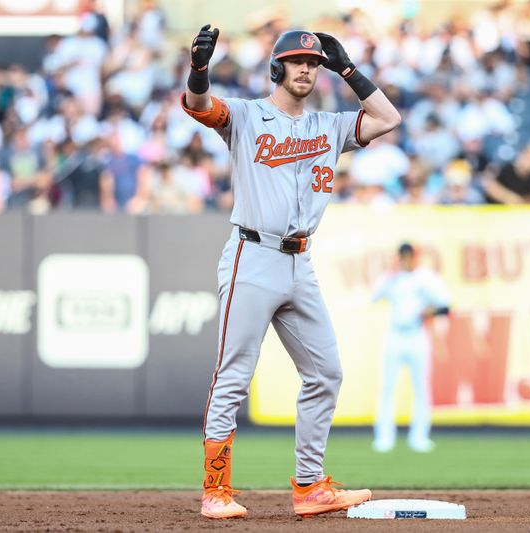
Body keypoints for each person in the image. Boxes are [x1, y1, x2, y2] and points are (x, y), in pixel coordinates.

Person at [181, 26, 401, 519]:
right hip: (252, 255)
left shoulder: (331, 125)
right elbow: (198, 106)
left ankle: (309, 486)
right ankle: (215, 491)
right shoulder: (246, 115)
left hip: (301, 262)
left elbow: (388, 118)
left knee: (326, 372)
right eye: (298, 61)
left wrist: (348, 69)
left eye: (314, 63)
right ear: (277, 67)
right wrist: (198, 70)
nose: (306, 69)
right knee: (233, 375)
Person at [372, 243, 449, 453]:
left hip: (416, 334)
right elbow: (375, 296)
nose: (407, 260)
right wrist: (391, 273)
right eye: (403, 256)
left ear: (416, 257)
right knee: (387, 387)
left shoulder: (426, 278)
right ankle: (384, 438)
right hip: (395, 335)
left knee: (421, 387)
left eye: (410, 256)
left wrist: (429, 311)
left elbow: (445, 305)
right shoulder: (392, 278)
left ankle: (419, 438)